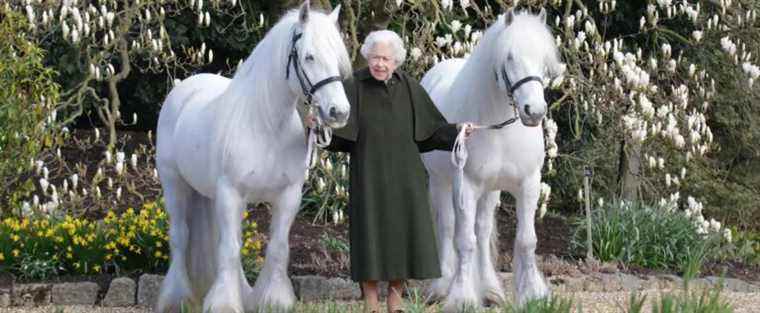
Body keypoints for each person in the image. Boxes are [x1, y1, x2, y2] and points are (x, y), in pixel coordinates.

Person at [308, 30, 472, 313]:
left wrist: (459, 131)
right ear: (367, 58)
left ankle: (395, 302)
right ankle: (371, 303)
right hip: (368, 175)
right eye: (374, 58)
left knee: (403, 238)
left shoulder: (409, 87)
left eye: (385, 58)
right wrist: (318, 128)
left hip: (407, 177)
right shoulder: (354, 86)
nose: (379, 64)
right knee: (368, 238)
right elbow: (340, 137)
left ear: (396, 61)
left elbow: (430, 133)